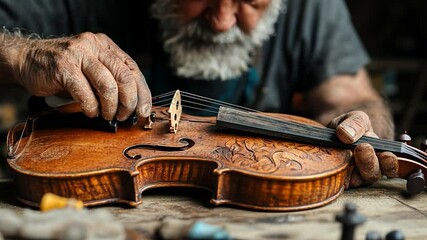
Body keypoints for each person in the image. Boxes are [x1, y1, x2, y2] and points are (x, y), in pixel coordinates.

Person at [0, 0, 397, 187]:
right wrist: (21, 54)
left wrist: (366, 125)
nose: (223, 22)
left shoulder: (313, 8)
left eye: (250, 2)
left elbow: (352, 97)